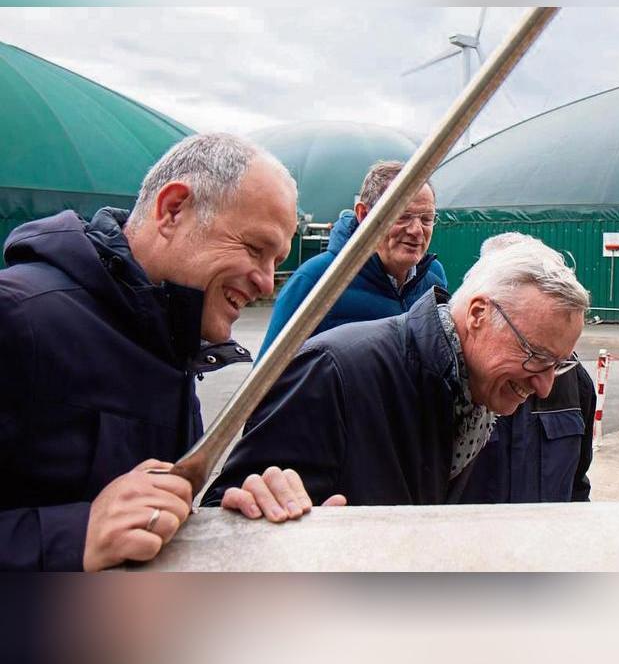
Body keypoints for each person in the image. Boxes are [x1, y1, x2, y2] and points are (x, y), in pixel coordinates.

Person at [0, 132, 310, 571]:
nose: (265, 282)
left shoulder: (170, 346)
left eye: (276, 261)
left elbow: (144, 524)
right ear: (172, 210)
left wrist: (229, 513)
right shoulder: (16, 317)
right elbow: (99, 526)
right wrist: (75, 534)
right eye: (255, 249)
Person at [203, 237, 590, 507]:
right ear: (478, 315)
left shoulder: (483, 391)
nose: (543, 387)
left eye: (558, 364)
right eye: (535, 356)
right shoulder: (335, 371)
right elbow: (228, 512)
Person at [257, 160, 447, 357]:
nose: (417, 230)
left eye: (426, 219)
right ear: (364, 215)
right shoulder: (316, 280)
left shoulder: (434, 278)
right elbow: (270, 380)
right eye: (402, 216)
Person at [459, 233, 596, 503]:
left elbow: (577, 484)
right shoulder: (450, 383)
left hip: (544, 541)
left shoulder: (573, 382)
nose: (543, 384)